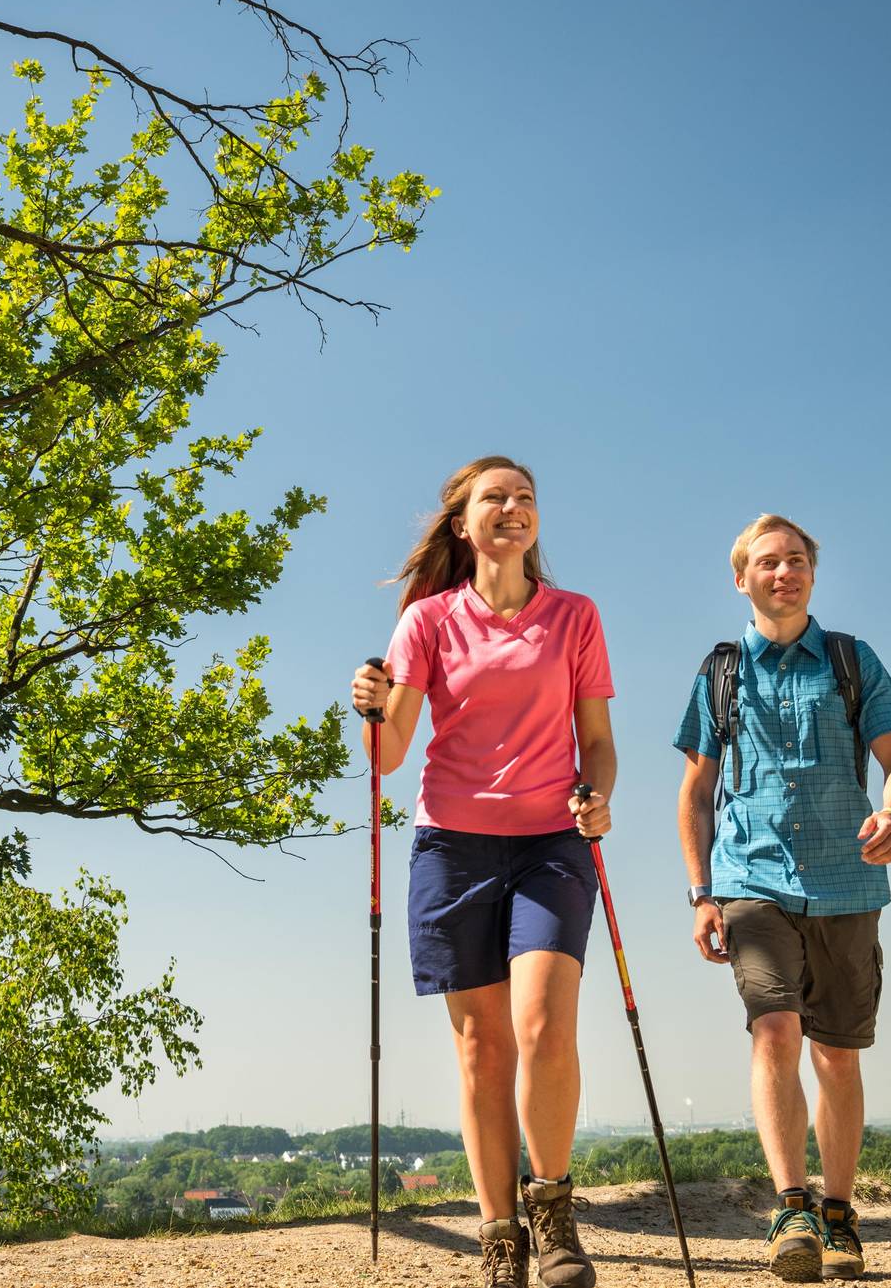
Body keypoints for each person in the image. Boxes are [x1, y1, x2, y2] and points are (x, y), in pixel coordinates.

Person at [349, 455, 615, 1288]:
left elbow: (596, 741)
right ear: (463, 524)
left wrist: (597, 795)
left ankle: (554, 1209)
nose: (513, 507)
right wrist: (368, 704)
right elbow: (389, 755)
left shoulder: (575, 616)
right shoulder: (427, 622)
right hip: (452, 847)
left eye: (526, 497)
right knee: (482, 1049)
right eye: (494, 498)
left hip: (550, 843)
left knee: (542, 1025)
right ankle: (499, 1230)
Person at [673, 514, 891, 1282]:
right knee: (774, 1030)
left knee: (837, 1056)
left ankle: (839, 1213)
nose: (786, 572)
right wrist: (701, 893)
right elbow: (696, 792)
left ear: (812, 572)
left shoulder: (851, 660)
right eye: (769, 562)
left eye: (798, 560)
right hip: (750, 881)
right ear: (740, 577)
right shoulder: (720, 671)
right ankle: (791, 1208)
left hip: (847, 883)